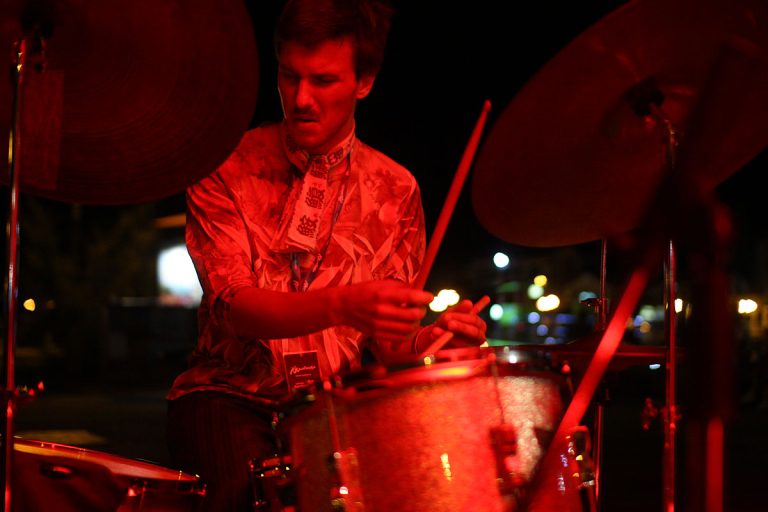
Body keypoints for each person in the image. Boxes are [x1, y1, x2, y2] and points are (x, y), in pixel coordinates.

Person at [166, 0, 487, 509]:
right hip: (229, 396)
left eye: (323, 80)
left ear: (365, 82)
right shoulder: (224, 166)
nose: (301, 99)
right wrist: (341, 304)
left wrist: (438, 341)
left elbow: (391, 347)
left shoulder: (396, 189)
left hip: (338, 407)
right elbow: (233, 306)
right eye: (289, 76)